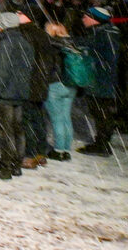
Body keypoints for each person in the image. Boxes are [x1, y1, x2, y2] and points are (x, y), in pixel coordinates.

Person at [0, 13, 34, 179]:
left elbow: (0, 73)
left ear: (1, 25)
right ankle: (15, 164)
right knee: (17, 129)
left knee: (6, 131)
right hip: (20, 92)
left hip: (5, 94)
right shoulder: (25, 42)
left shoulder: (3, 44)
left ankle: (5, 167)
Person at [17, 11, 59, 169]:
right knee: (38, 118)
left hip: (29, 83)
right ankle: (41, 152)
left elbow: (23, 61)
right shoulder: (42, 34)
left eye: (18, 13)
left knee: (27, 120)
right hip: (41, 83)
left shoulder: (24, 34)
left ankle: (30, 154)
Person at [79, 6, 121, 156]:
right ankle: (102, 142)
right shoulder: (109, 31)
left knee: (101, 113)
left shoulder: (103, 34)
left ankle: (102, 144)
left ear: (94, 19)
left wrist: (65, 39)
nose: (83, 19)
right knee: (103, 113)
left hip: (100, 80)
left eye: (86, 16)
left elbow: (85, 44)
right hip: (105, 80)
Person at [43, 22, 77, 162]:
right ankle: (66, 149)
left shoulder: (50, 46)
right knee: (66, 117)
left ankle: (58, 150)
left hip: (55, 84)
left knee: (57, 119)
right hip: (71, 84)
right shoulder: (71, 44)